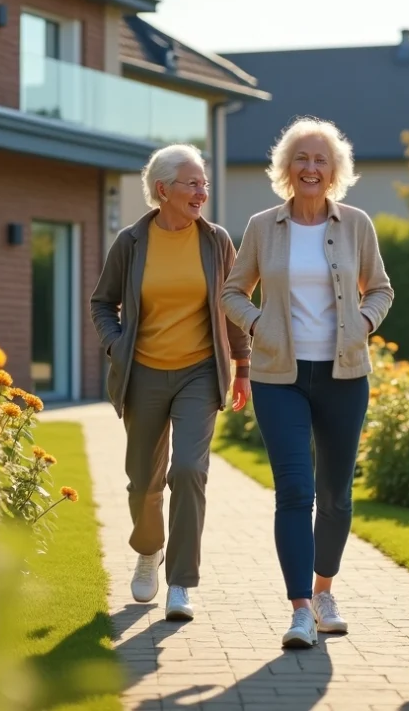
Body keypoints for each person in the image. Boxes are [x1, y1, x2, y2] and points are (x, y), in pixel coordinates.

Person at [222, 116, 394, 648]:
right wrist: (257, 324)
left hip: (344, 375)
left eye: (321, 160)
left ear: (335, 170)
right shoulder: (261, 226)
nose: (311, 168)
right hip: (281, 377)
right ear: (286, 168)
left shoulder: (357, 225)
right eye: (302, 158)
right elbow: (232, 291)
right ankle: (299, 609)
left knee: (336, 494)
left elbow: (381, 290)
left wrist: (364, 323)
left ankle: (325, 592)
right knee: (295, 491)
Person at [90, 143, 251, 622]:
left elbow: (233, 302)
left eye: (204, 183)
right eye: (193, 183)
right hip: (142, 371)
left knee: (188, 470)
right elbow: (103, 303)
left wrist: (241, 366)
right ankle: (147, 550)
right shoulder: (131, 243)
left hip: (200, 371)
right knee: (143, 481)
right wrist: (118, 345)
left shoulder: (217, 240)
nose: (202, 191)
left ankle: (181, 582)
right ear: (163, 190)